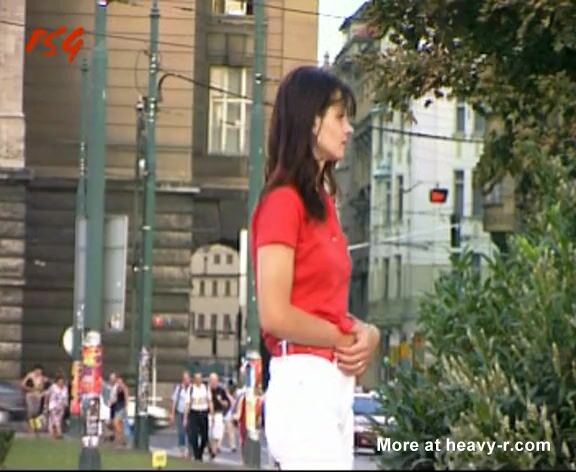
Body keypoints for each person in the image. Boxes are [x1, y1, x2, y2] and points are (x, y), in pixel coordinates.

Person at [249, 65, 381, 470]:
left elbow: (320, 305)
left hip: (331, 383)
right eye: (339, 117)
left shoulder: (321, 205)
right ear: (311, 121)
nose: (348, 129)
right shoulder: (283, 202)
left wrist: (367, 332)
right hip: (304, 382)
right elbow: (274, 315)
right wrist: (345, 336)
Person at [184, 373, 212, 462]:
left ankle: (200, 451)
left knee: (205, 436)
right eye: (197, 378)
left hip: (203, 413)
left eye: (200, 378)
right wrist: (185, 418)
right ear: (194, 379)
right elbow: (187, 404)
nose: (199, 380)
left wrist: (212, 414)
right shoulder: (191, 389)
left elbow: (209, 401)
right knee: (194, 435)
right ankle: (197, 455)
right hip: (194, 413)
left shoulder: (205, 388)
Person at [21, 364, 49, 434]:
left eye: (40, 371)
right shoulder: (30, 376)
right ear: (35, 370)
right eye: (37, 371)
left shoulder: (42, 378)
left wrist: (42, 388)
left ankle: (35, 426)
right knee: (31, 411)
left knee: (36, 412)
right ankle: (30, 427)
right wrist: (31, 389)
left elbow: (43, 387)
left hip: (38, 396)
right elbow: (23, 385)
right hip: (30, 395)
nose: (39, 372)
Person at [207, 373, 229, 458]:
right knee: (208, 433)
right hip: (208, 414)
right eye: (212, 380)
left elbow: (226, 403)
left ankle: (214, 451)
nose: (213, 382)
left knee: (217, 434)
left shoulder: (221, 390)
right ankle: (210, 446)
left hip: (218, 413)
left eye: (215, 380)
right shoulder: (206, 390)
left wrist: (221, 401)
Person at [170, 370, 191, 457]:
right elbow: (174, 401)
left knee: (190, 432)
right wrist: (172, 414)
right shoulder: (179, 388)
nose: (186, 380)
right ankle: (182, 450)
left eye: (187, 378)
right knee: (181, 432)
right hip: (180, 412)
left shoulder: (192, 388)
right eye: (184, 379)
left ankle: (190, 450)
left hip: (190, 413)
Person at [46, 374, 68, 439]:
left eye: (62, 382)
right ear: (57, 381)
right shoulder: (53, 387)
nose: (61, 383)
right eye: (59, 381)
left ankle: (52, 433)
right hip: (53, 406)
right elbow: (47, 395)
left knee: (56, 420)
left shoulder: (65, 388)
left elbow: (66, 397)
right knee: (56, 420)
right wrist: (46, 404)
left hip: (61, 406)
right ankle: (59, 433)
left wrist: (66, 404)